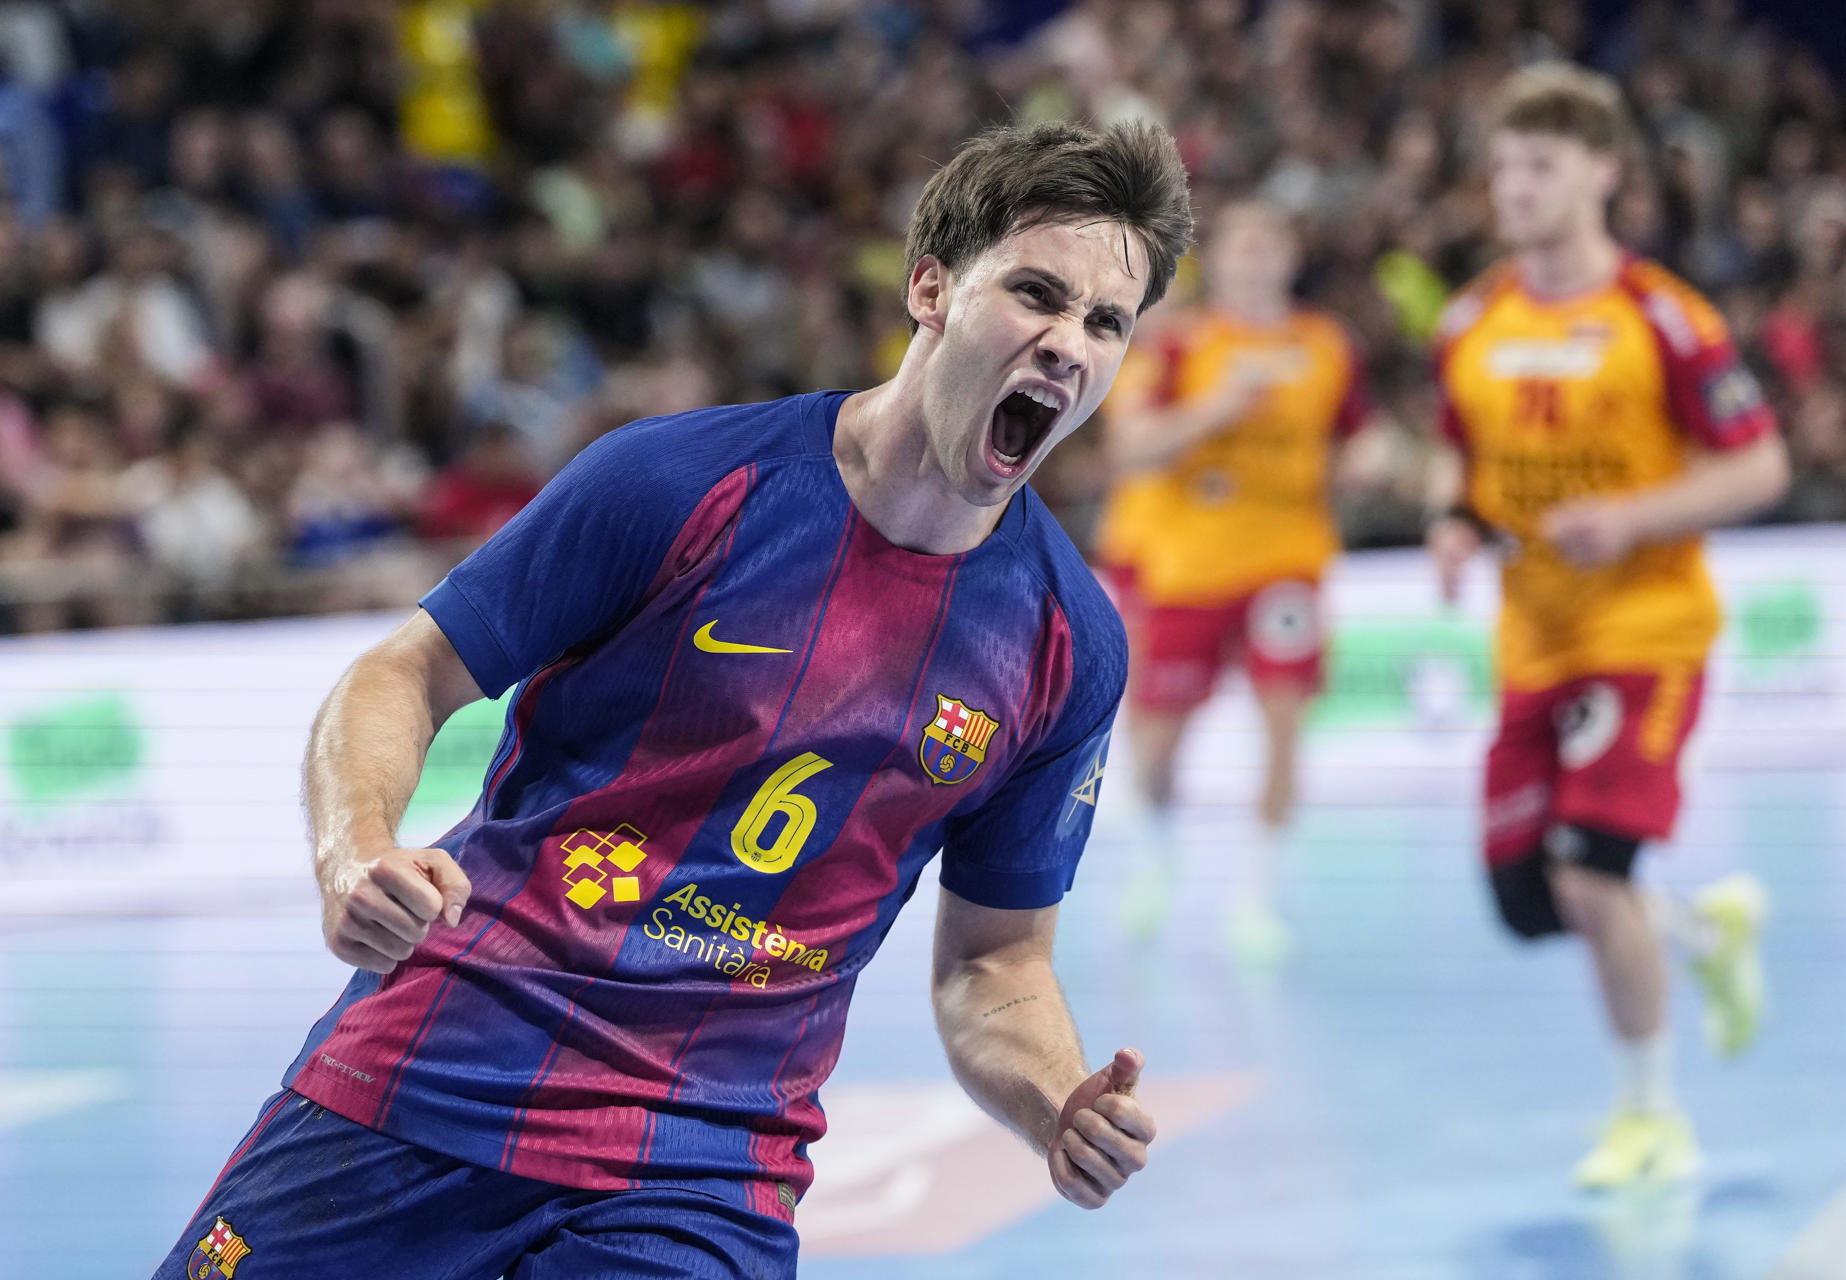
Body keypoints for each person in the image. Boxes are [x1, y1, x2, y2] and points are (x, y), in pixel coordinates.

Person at [153, 118, 1192, 1279]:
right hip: (439, 1066)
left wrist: (1057, 1099)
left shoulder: (1069, 644)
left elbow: (992, 961)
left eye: (1106, 322)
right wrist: (353, 849)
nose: (1067, 345)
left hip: (702, 1167)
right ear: (932, 288)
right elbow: (405, 671)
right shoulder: (682, 481)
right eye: (1037, 294)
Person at [1425, 63, 1788, 1189]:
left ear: (1604, 173)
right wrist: (1449, 516)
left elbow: (1761, 464)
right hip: (1533, 635)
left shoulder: (1664, 315)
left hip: (1647, 626)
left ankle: (1652, 1119)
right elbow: (1458, 447)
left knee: (1590, 872)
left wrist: (1631, 516)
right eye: (1504, 168)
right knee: (1529, 900)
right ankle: (1705, 932)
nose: (1517, 187)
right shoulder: (1473, 316)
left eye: (1541, 165)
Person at [1098, 200, 1375, 966]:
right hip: (1186, 566)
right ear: (1214, 259)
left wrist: (1376, 459)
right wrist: (1219, 407)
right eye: (1240, 243)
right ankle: (1157, 862)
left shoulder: (1325, 344)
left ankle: (1257, 896)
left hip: (1288, 562)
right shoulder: (1178, 343)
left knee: (1284, 724)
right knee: (1156, 747)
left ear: (1290, 254)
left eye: (1269, 241)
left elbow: (1357, 435)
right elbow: (1132, 449)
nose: (1254, 257)